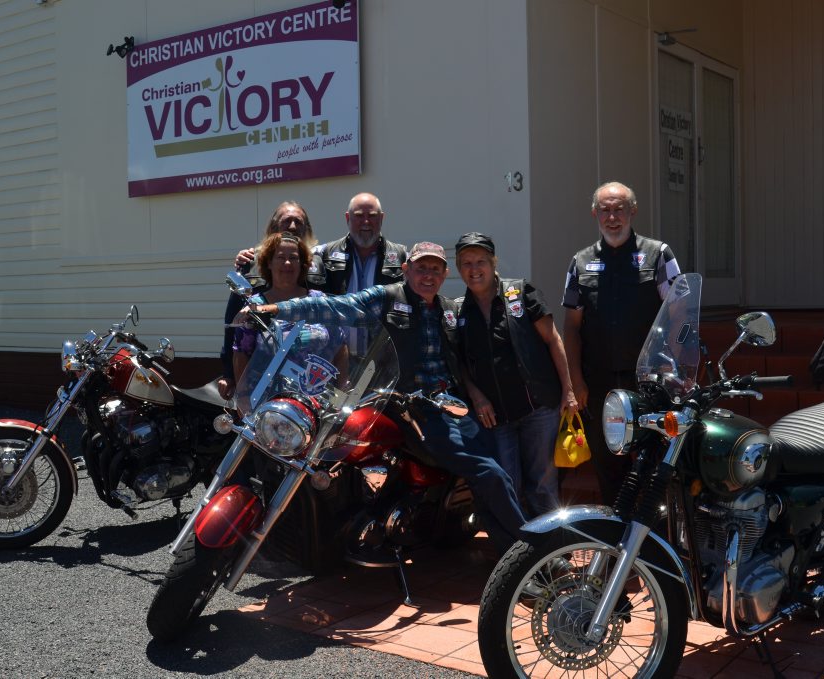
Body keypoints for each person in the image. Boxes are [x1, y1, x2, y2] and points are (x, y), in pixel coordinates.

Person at [239, 242, 527, 555]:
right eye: (421, 267)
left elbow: (465, 357)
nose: (427, 275)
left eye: (435, 269)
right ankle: (527, 552)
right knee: (489, 473)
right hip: (408, 407)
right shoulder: (387, 297)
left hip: (447, 405)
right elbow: (336, 307)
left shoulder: (448, 309)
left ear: (445, 274)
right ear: (406, 270)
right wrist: (276, 309)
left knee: (491, 474)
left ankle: (516, 552)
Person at [562, 181, 681, 505]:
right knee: (608, 467)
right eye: (605, 210)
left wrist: (674, 375)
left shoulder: (658, 255)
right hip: (598, 386)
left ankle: (654, 543)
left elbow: (679, 316)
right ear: (594, 214)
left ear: (633, 211)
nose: (612, 217)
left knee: (654, 466)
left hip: (648, 383)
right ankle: (617, 546)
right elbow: (571, 327)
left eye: (619, 209)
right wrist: (575, 381)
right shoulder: (580, 261)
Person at [454, 232, 577, 517]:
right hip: (496, 418)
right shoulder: (458, 310)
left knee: (543, 487)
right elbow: (458, 362)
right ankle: (520, 556)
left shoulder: (520, 292)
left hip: (539, 410)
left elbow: (553, 340)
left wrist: (568, 391)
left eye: (481, 261)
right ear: (459, 269)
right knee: (508, 486)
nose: (474, 269)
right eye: (467, 263)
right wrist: (476, 395)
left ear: (494, 262)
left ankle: (552, 554)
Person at [218, 201, 323, 399]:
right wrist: (229, 374)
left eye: (298, 222)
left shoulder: (320, 262)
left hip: (308, 374)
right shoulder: (252, 263)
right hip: (263, 371)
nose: (292, 227)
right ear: (273, 227)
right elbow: (232, 323)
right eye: (287, 221)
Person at [232, 231, 345, 406]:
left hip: (316, 404)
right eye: (280, 257)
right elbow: (240, 353)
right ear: (268, 262)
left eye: (293, 258)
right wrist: (244, 398)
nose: (287, 263)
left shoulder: (319, 302)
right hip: (267, 405)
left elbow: (340, 346)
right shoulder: (255, 306)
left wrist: (342, 393)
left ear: (303, 264)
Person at [314, 192, 408, 295]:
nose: (366, 222)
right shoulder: (325, 254)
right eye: (359, 215)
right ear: (347, 218)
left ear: (381, 218)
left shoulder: (402, 256)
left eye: (372, 216)